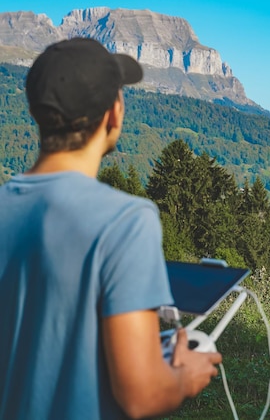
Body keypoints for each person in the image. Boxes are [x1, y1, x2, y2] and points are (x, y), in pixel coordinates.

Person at [0, 37, 221, 420]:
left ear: (37, 114)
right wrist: (186, 374)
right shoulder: (127, 221)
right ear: (114, 114)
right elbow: (143, 396)